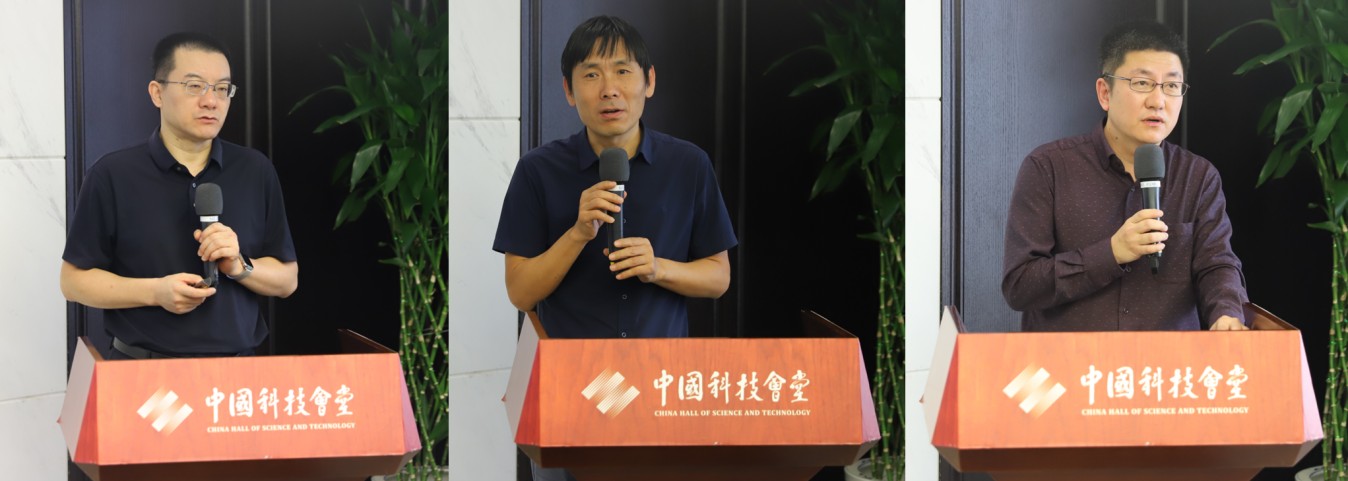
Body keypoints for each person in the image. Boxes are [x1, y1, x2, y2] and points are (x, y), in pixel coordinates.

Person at [493, 15, 737, 481]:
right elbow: (520, 293)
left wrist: (658, 268)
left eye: (623, 71)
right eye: (591, 75)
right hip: (571, 392)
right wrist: (577, 233)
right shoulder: (537, 171)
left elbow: (719, 277)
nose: (609, 89)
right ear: (569, 91)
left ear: (649, 82)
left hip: (662, 390)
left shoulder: (688, 165)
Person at [61, 32, 298, 359]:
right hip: (143, 373)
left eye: (222, 89)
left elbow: (287, 280)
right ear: (157, 93)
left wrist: (239, 265)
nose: (211, 101)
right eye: (195, 86)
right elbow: (73, 282)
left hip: (236, 374)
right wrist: (155, 292)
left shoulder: (255, 170)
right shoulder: (112, 174)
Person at [1001, 20, 1248, 332]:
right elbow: (1020, 285)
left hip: (1165, 362)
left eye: (1172, 86)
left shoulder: (1198, 176)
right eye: (1142, 83)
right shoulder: (1048, 167)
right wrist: (1111, 253)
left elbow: (1217, 264)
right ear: (1105, 93)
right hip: (1071, 360)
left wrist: (1226, 313)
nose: (1158, 101)